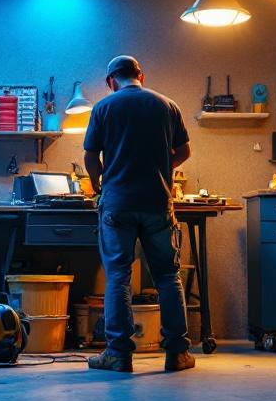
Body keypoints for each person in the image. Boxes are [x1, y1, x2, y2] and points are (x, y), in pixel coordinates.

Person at [81, 55, 193, 373]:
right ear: (141, 75)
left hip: (118, 204)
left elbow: (90, 155)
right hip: (158, 203)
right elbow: (184, 151)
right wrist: (160, 169)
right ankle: (177, 354)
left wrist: (97, 182)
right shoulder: (167, 105)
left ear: (110, 81)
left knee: (118, 276)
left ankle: (118, 354)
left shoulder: (104, 107)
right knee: (169, 277)